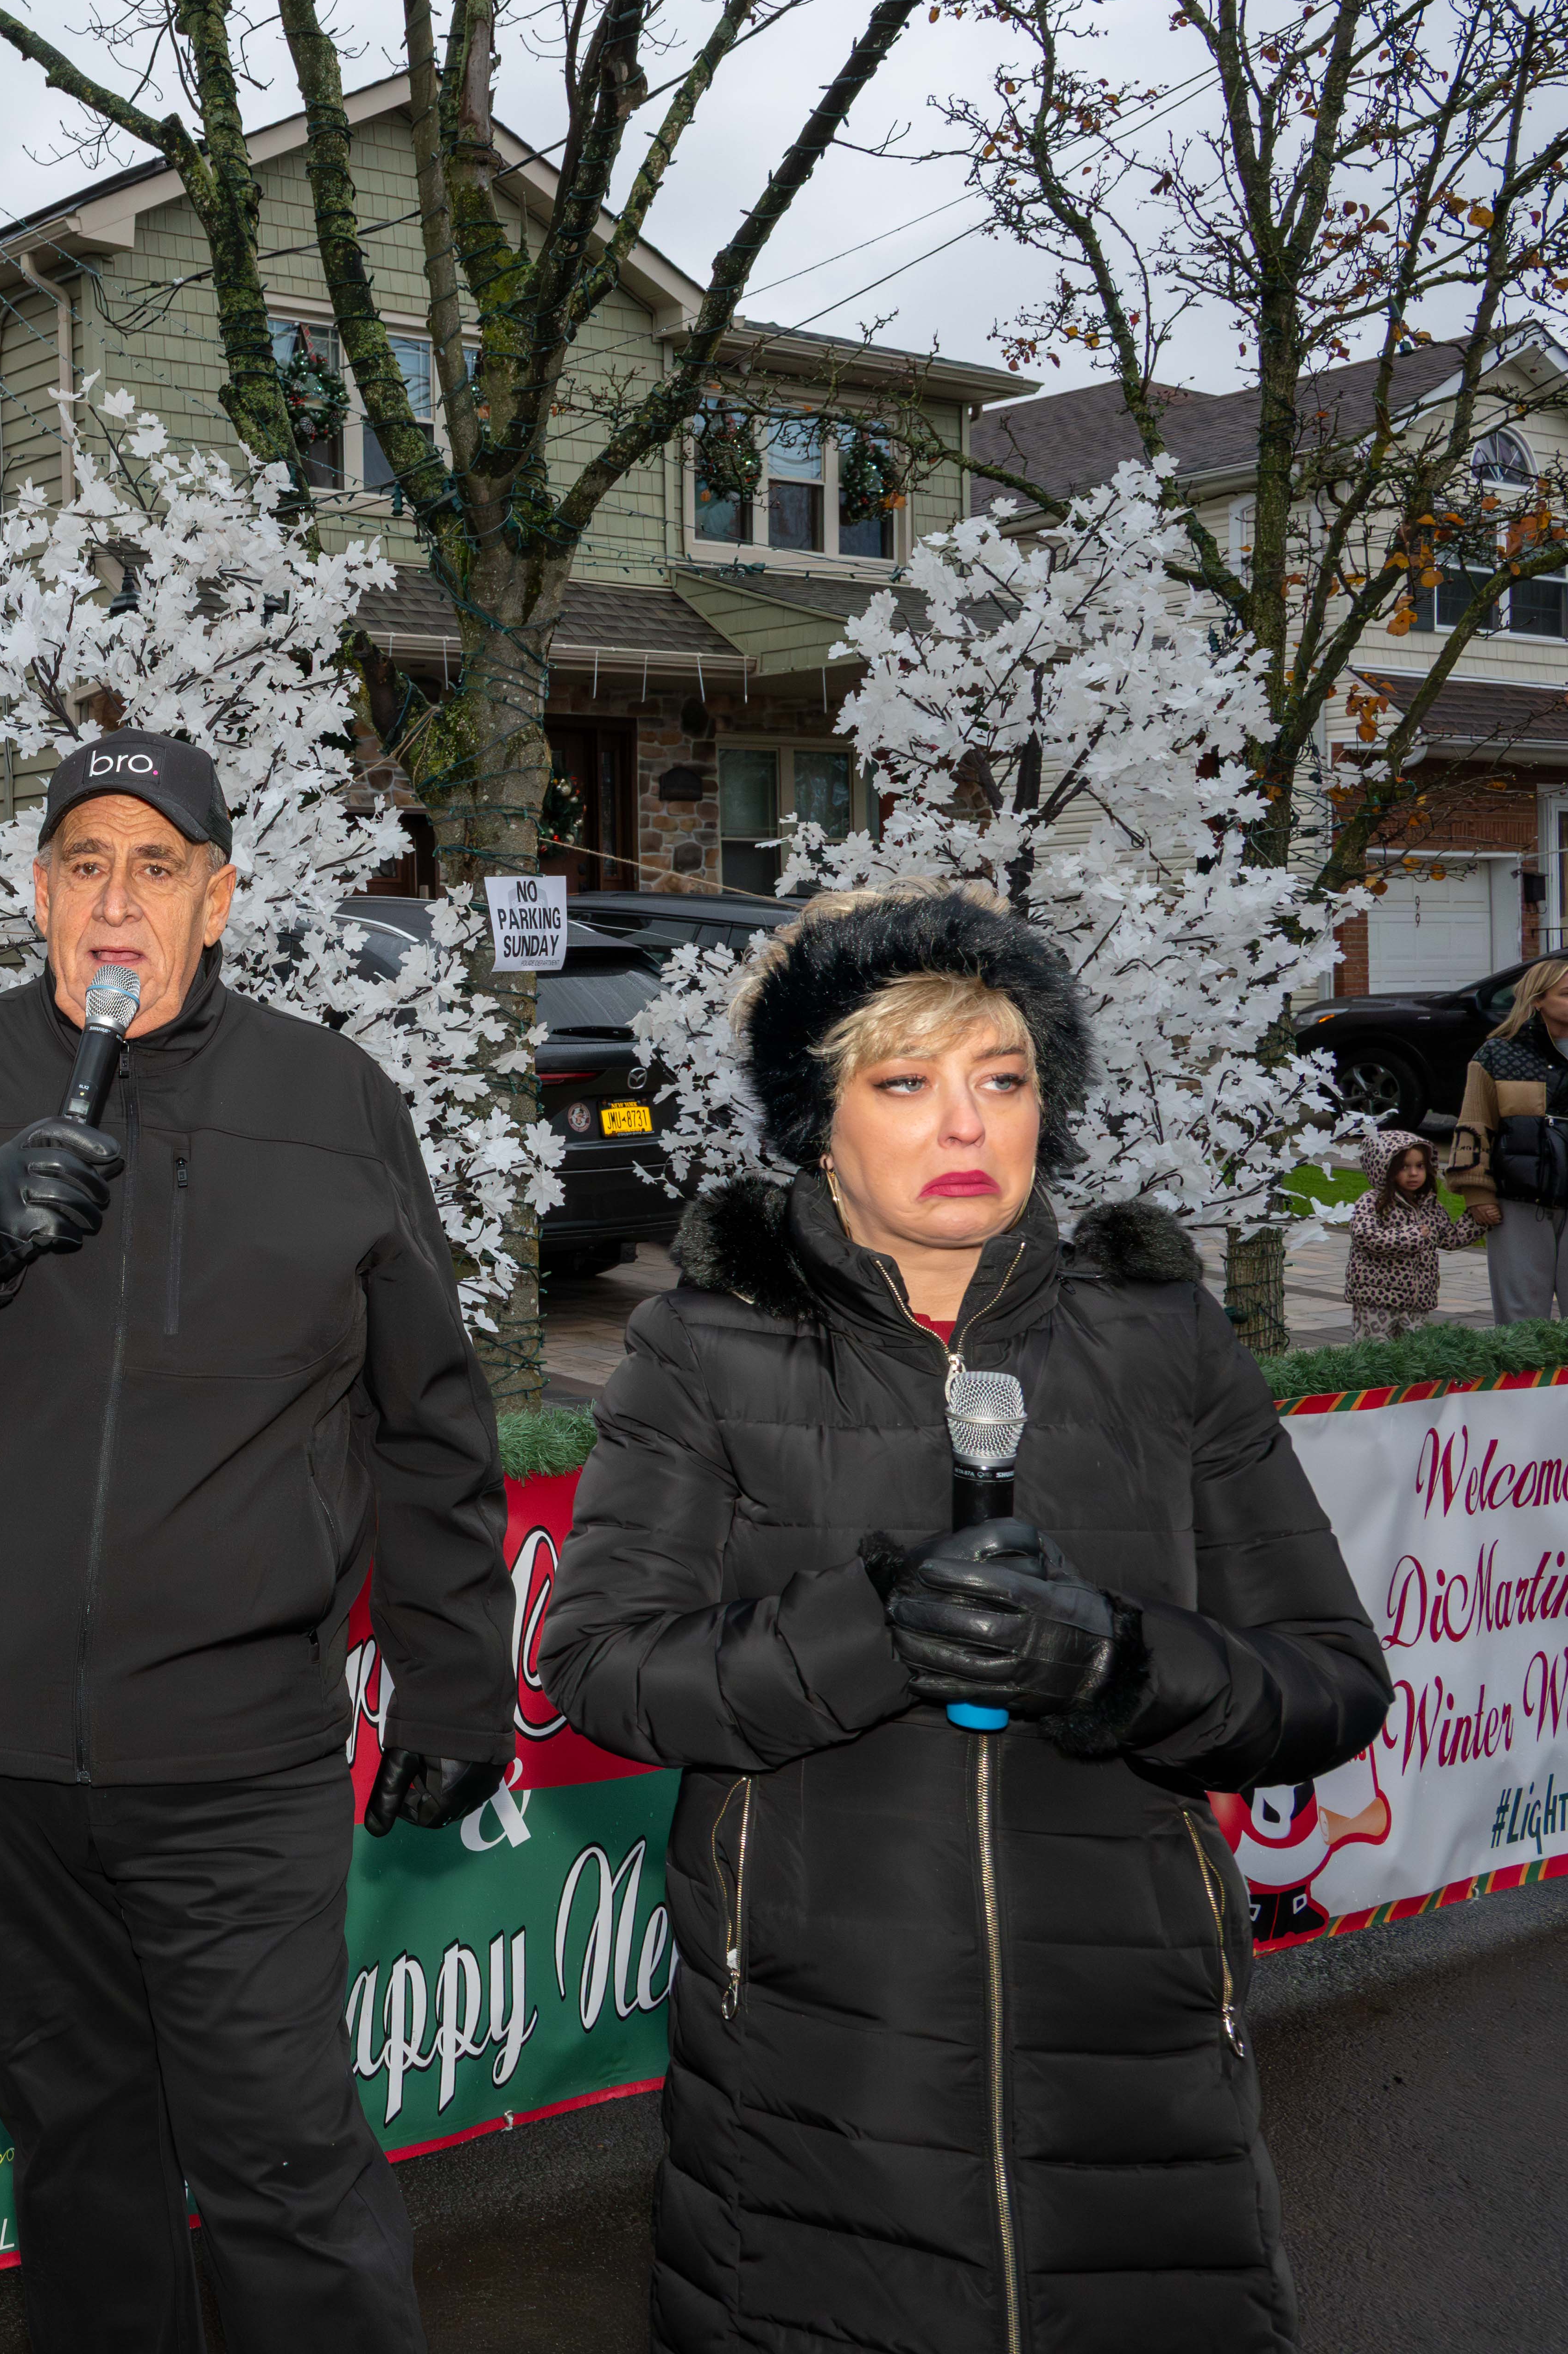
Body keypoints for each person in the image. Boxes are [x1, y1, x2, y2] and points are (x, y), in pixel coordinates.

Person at [538, 882, 1388, 2354]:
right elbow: (605, 1671)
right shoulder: (703, 1345)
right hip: (818, 2071)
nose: (964, 1124)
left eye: (1001, 1078)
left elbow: (1327, 1682)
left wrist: (1119, 1662)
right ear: (818, 1117)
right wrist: (878, 1626)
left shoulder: (1159, 1334)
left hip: (1133, 2071)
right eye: (905, 1081)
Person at [0, 727, 517, 2353]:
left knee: (279, 2157)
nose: (117, 898)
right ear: (37, 896)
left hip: (231, 1749)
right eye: (84, 862)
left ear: (216, 898)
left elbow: (426, 1418)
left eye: (155, 866)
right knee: (84, 2152)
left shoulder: (331, 1103)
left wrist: (454, 1683)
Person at [1447, 954, 1568, 1322]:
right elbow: (1474, 1125)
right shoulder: (1498, 1054)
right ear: (1537, 1001)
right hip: (1517, 1202)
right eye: (1567, 994)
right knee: (1520, 1316)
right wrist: (1476, 1192)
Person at [1346, 1123, 1483, 1342]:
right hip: (1378, 1299)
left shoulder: (1429, 1205)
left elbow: (1450, 1238)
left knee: (1412, 1352)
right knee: (1375, 1351)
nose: (1414, 1173)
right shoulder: (1373, 1201)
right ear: (1384, 1169)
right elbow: (1366, 1236)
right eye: (1404, 1167)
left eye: (1420, 1166)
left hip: (1417, 1301)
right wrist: (1412, 1236)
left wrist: (1478, 1218)